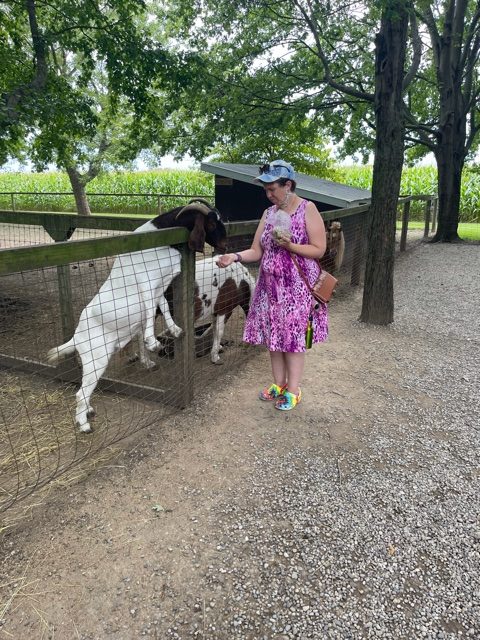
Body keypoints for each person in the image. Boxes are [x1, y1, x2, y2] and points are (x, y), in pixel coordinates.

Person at [216, 159, 328, 411]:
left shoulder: (307, 209)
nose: (268, 195)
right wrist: (234, 256)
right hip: (269, 289)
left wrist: (290, 246)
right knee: (274, 337)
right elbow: (257, 250)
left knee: (293, 339)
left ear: (287, 185)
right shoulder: (269, 214)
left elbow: (319, 249)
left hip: (297, 289)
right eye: (265, 190)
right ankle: (278, 383)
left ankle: (294, 390)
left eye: (272, 189)